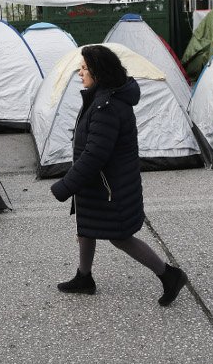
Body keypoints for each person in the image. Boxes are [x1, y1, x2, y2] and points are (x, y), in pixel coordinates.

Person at [50, 45, 188, 306]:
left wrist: (65, 185)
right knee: (85, 228)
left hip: (109, 186)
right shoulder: (100, 97)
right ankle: (84, 277)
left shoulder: (107, 106)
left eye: (84, 69)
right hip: (99, 183)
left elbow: (95, 155)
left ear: (99, 73)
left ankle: (170, 275)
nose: (80, 73)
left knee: (120, 237)